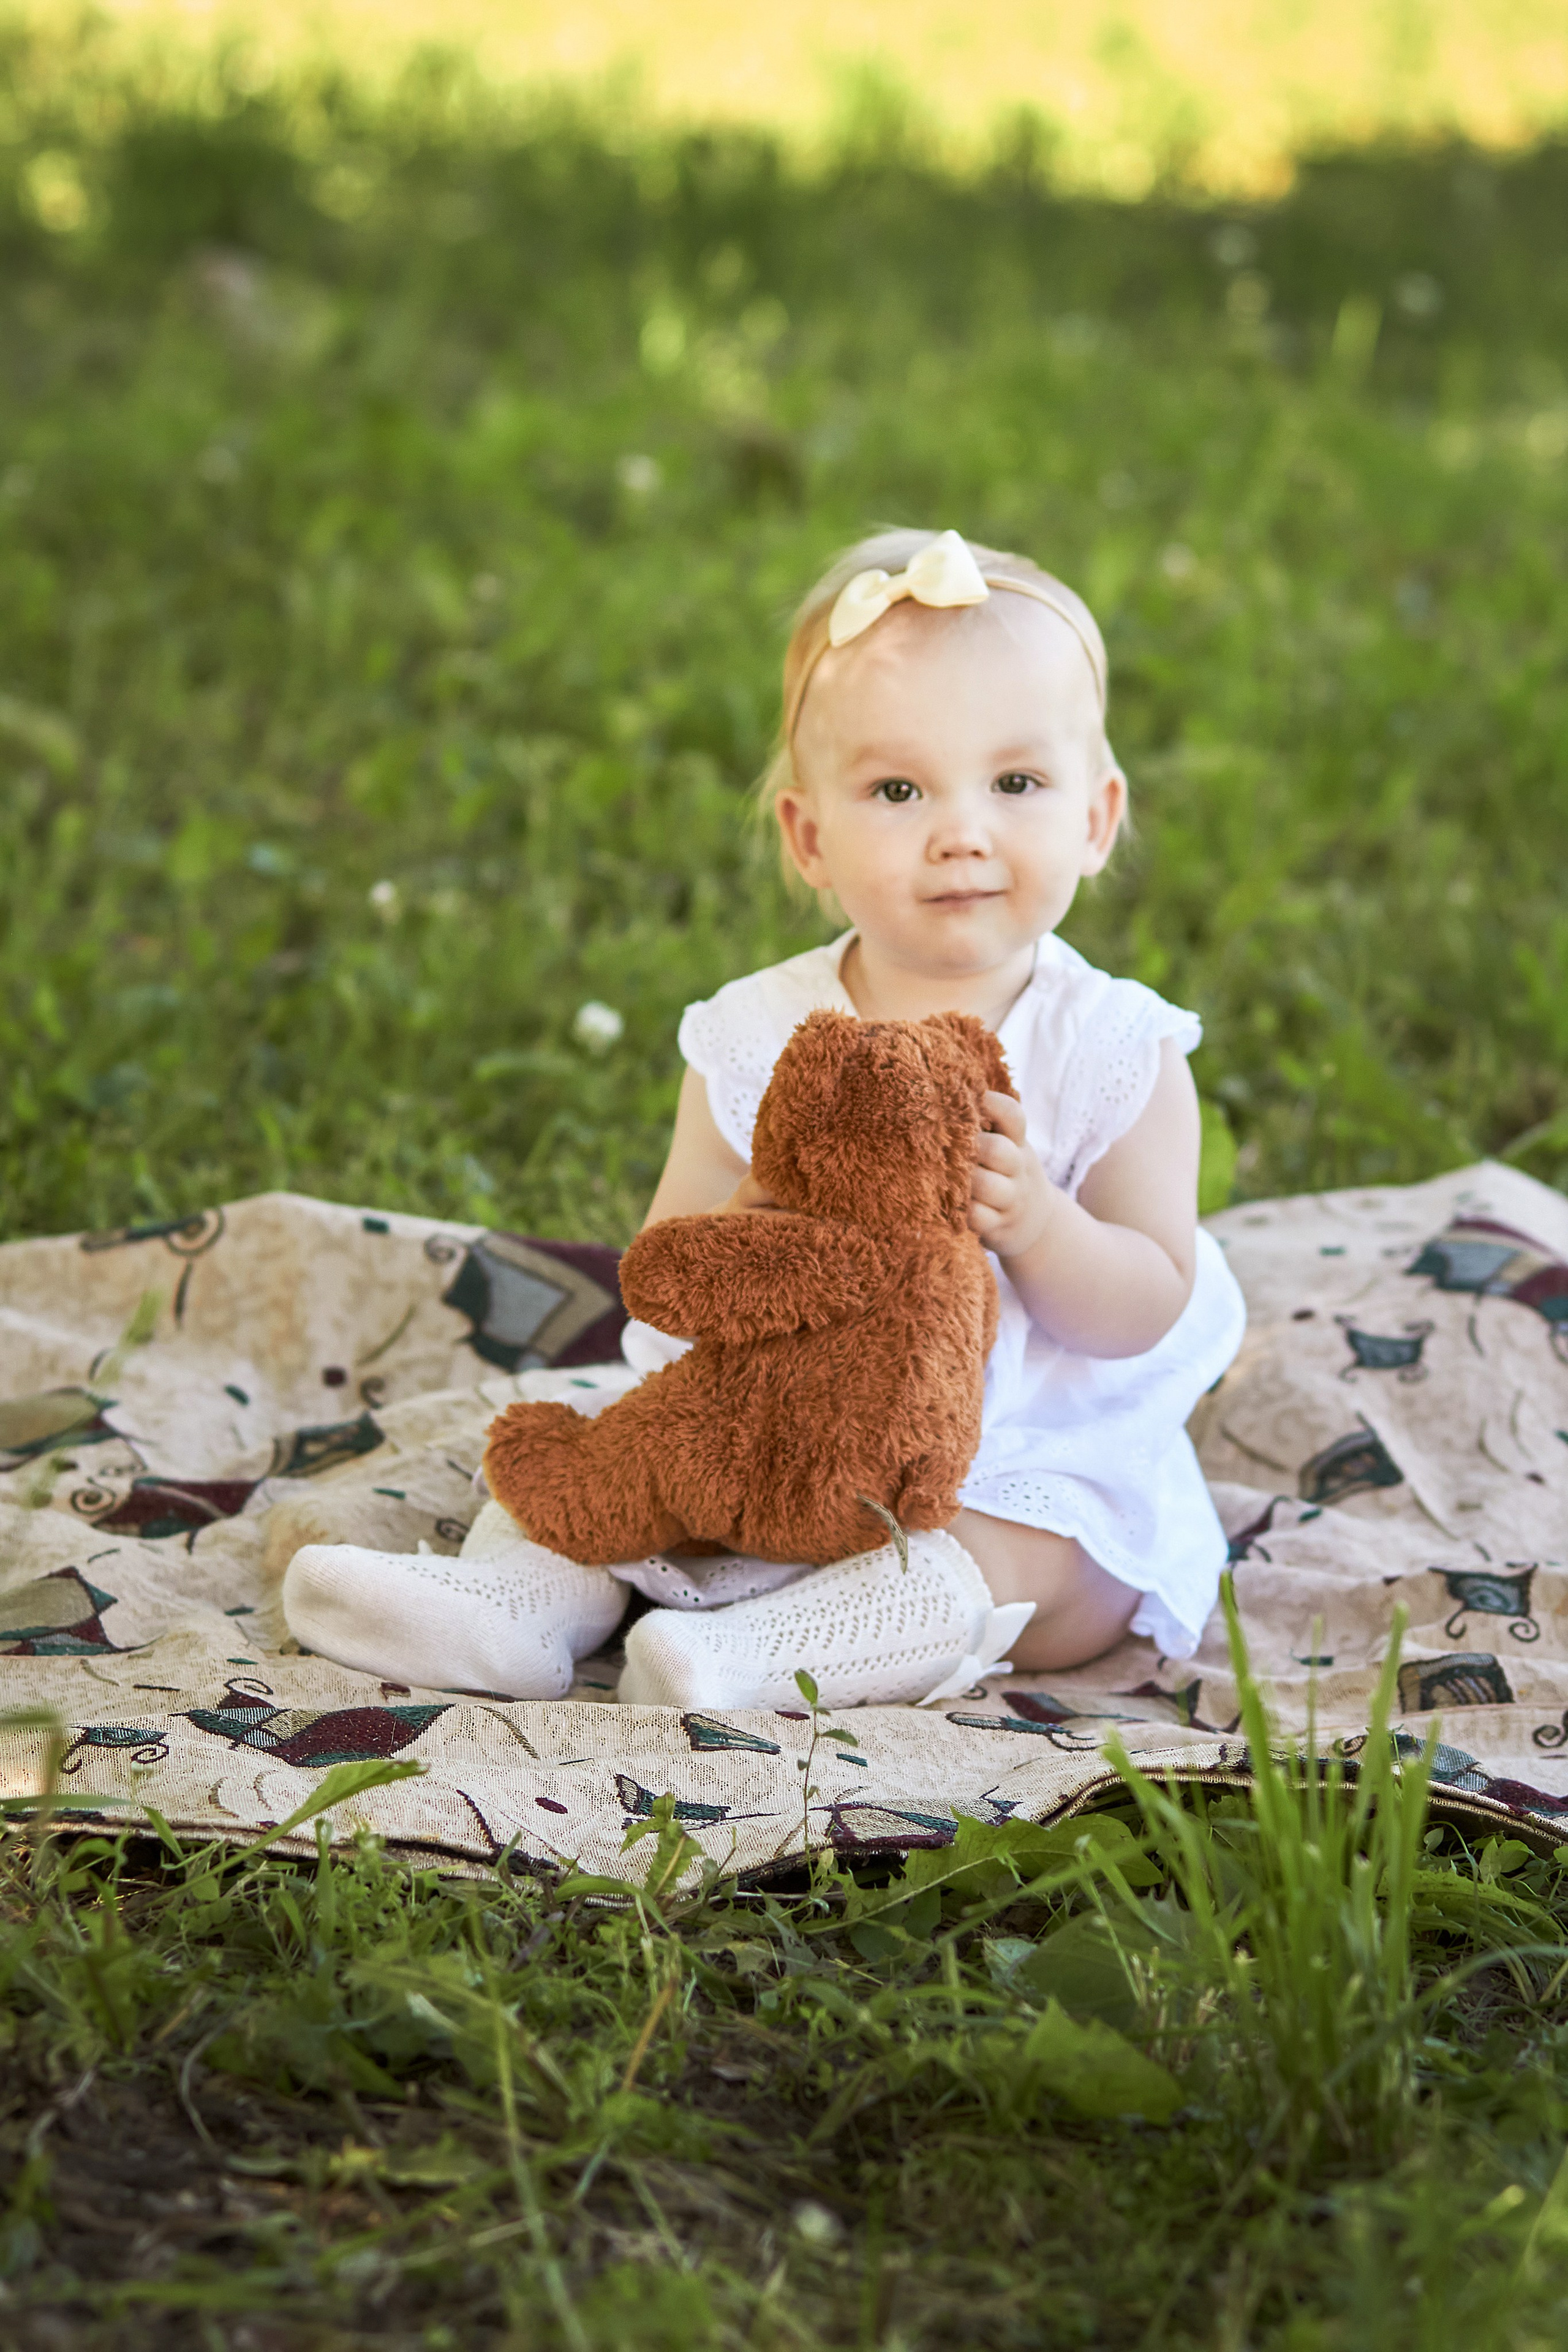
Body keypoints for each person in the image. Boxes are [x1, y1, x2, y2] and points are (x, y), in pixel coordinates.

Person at [283, 528, 1245, 1711]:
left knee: (1044, 1559)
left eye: (1015, 784)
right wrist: (747, 1223)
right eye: (899, 790)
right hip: (775, 1430)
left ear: (1096, 818)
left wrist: (1041, 1225)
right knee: (619, 1451)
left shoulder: (1115, 1048)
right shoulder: (758, 1032)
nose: (961, 830)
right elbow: (666, 1272)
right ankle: (510, 1607)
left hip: (1008, 1459)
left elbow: (1148, 1305)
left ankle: (763, 1657)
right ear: (810, 838)